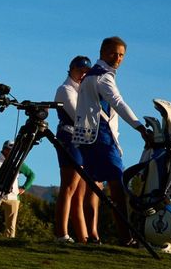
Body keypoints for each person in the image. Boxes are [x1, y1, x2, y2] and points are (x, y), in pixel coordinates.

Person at [73, 36, 150, 244]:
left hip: (88, 138)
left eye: (121, 55)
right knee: (117, 186)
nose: (117, 58)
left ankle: (91, 236)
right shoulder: (103, 77)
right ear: (102, 52)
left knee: (93, 188)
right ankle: (126, 237)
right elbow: (118, 102)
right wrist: (139, 127)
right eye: (113, 53)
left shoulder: (92, 76)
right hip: (101, 137)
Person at [52, 55, 93, 243]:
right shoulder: (65, 89)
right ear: (71, 70)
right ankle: (61, 233)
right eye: (79, 70)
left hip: (82, 140)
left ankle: (83, 237)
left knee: (80, 192)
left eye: (86, 72)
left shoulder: (82, 91)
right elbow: (79, 115)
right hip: (69, 137)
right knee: (69, 185)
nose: (82, 74)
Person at [0, 140, 35, 238]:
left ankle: (9, 240)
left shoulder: (18, 163)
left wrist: (24, 187)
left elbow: (31, 175)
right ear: (4, 149)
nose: (12, 152)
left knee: (11, 223)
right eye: (10, 150)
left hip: (13, 196)